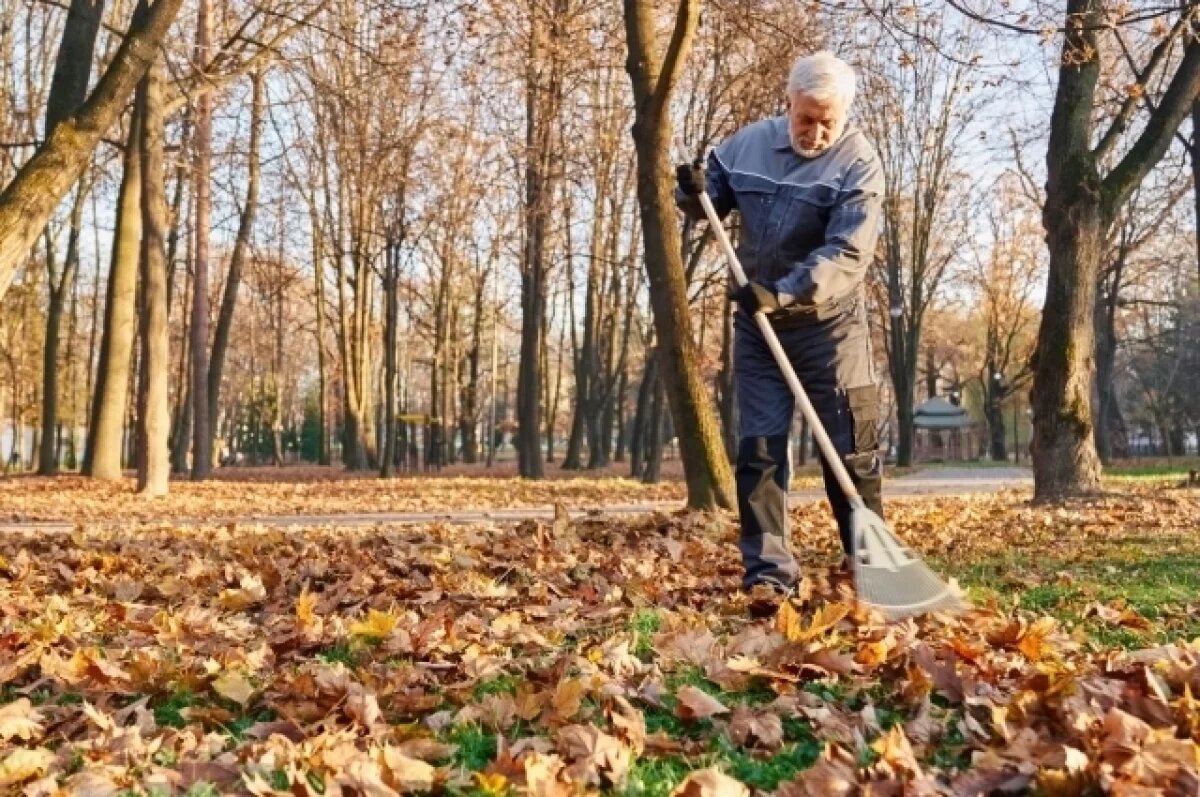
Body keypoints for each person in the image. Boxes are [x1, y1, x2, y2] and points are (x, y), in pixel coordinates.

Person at [675, 51, 886, 615]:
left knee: (850, 448)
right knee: (760, 448)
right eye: (805, 118)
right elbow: (709, 201)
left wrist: (785, 290)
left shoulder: (858, 164)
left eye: (828, 122)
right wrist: (693, 190)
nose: (815, 132)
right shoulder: (746, 145)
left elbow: (848, 251)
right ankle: (769, 574)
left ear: (844, 116)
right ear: (788, 103)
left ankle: (870, 565)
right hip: (757, 326)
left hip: (829, 328)